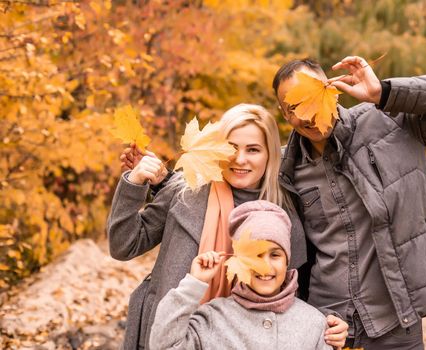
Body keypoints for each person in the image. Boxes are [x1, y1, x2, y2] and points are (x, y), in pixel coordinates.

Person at [272, 56, 426, 349]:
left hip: (395, 320)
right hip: (326, 325)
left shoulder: (387, 121)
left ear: (331, 88)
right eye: (294, 108)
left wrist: (383, 93)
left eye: (311, 98)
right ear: (284, 114)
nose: (307, 115)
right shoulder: (286, 168)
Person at [108, 103, 348, 349]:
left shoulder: (284, 210)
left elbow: (298, 288)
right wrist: (134, 183)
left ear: (270, 154)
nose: (239, 159)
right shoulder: (186, 189)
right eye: (231, 147)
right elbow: (124, 245)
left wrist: (330, 321)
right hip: (167, 334)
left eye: (253, 149)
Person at [149, 200, 334, 350]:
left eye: (275, 255)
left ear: (287, 260)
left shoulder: (313, 323)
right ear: (238, 259)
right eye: (255, 255)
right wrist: (193, 285)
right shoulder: (213, 317)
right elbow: (164, 345)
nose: (264, 265)